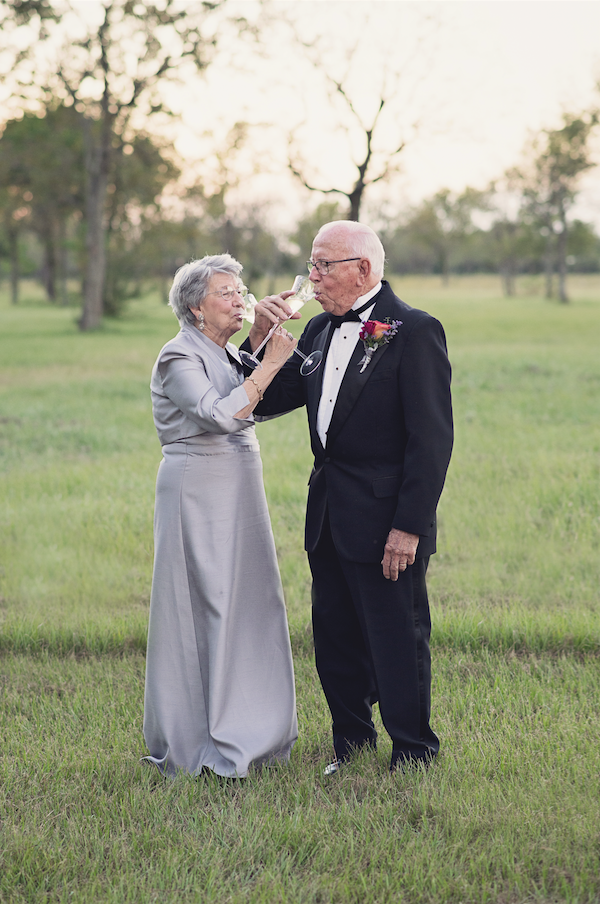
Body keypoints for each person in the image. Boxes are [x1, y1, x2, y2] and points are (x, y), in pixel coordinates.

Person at [243, 221, 453, 773]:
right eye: (310, 265)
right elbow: (267, 400)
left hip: (388, 521)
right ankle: (351, 744)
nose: (311, 277)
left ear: (363, 269)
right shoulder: (315, 330)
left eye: (322, 266)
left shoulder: (414, 330)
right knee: (334, 637)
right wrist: (259, 340)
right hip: (329, 512)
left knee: (396, 637)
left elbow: (431, 441)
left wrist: (409, 526)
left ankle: (412, 751)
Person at [143, 254, 298, 778]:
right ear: (195, 307)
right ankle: (200, 740)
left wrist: (258, 341)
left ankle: (254, 731)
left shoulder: (223, 350)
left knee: (250, 600)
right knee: (205, 603)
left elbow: (259, 404)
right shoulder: (176, 356)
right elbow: (217, 414)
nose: (240, 297)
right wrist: (273, 360)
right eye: (227, 292)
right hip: (198, 489)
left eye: (242, 289)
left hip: (240, 486)